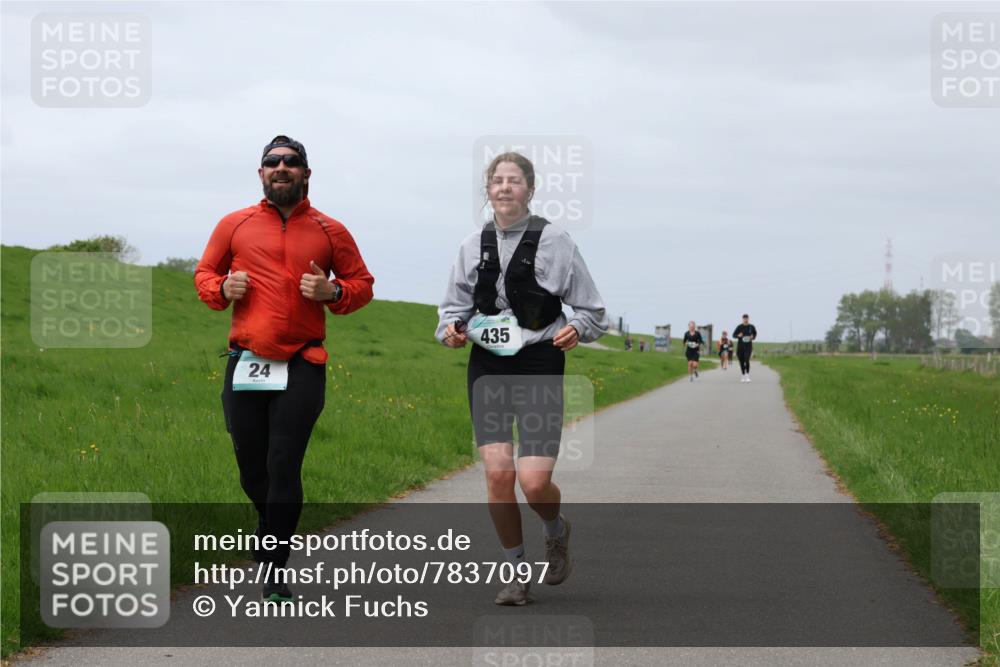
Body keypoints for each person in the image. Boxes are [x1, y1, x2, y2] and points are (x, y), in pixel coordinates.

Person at [195, 135, 375, 602]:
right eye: (272, 162)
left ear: (306, 173)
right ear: (260, 173)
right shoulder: (234, 225)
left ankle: (275, 567)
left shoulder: (330, 230)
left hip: (302, 363)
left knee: (282, 463)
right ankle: (268, 520)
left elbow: (362, 285)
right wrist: (222, 289)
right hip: (246, 363)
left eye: (291, 162)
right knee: (251, 468)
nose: (281, 168)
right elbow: (204, 274)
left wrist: (333, 294)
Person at [436, 151, 608, 606]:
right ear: (488, 190)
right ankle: (516, 574)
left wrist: (579, 329)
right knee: (498, 474)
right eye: (497, 181)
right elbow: (451, 311)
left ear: (530, 190)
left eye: (515, 181)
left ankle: (555, 528)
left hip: (539, 362)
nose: (505, 187)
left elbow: (592, 310)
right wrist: (450, 333)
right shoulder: (471, 245)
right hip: (488, 365)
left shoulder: (557, 242)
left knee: (533, 483)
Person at [732, 314, 758, 382]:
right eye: (744, 318)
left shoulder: (751, 327)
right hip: (740, 347)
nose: (745, 319)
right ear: (742, 319)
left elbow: (755, 333)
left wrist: (753, 337)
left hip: (748, 346)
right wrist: (738, 335)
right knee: (741, 362)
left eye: (746, 318)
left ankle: (747, 375)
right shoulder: (739, 327)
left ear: (748, 319)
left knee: (746, 360)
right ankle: (743, 375)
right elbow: (733, 335)